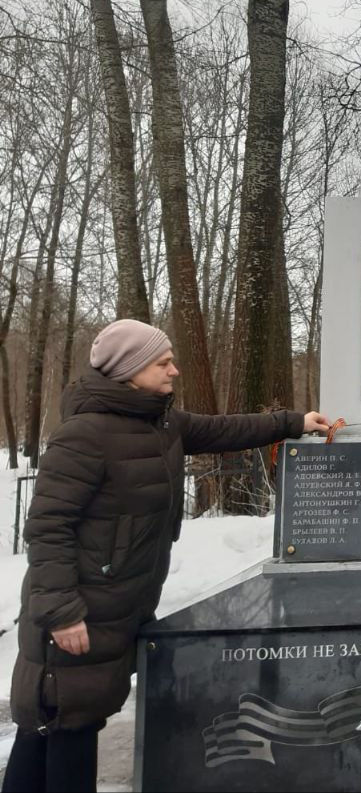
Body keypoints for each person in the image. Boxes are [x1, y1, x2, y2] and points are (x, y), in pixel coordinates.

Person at [4, 319, 330, 793]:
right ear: (130, 370)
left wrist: (293, 422)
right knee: (62, 725)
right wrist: (60, 613)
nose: (174, 370)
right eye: (163, 363)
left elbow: (224, 430)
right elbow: (49, 528)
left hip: (117, 608)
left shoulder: (160, 423)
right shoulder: (83, 436)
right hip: (76, 615)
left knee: (67, 724)